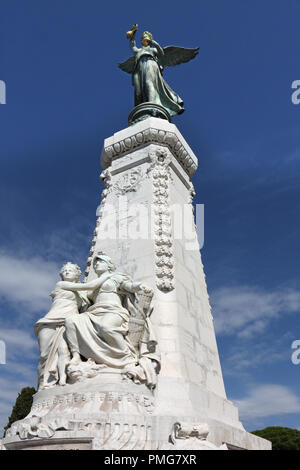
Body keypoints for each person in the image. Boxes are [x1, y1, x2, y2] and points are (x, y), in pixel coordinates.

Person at [59, 253, 153, 370]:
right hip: (93, 312)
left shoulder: (116, 277)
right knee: (71, 320)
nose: (96, 264)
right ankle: (76, 355)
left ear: (109, 265)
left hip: (113, 310)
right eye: (95, 263)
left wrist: (140, 285)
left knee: (106, 327)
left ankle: (128, 357)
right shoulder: (91, 283)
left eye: (100, 261)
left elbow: (129, 286)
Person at [34, 262, 85, 390]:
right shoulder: (61, 284)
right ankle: (42, 384)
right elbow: (92, 286)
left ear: (77, 275)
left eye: (70, 270)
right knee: (44, 356)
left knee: (64, 351)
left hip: (68, 322)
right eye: (65, 270)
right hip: (49, 321)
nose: (67, 272)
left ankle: (62, 380)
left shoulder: (82, 292)